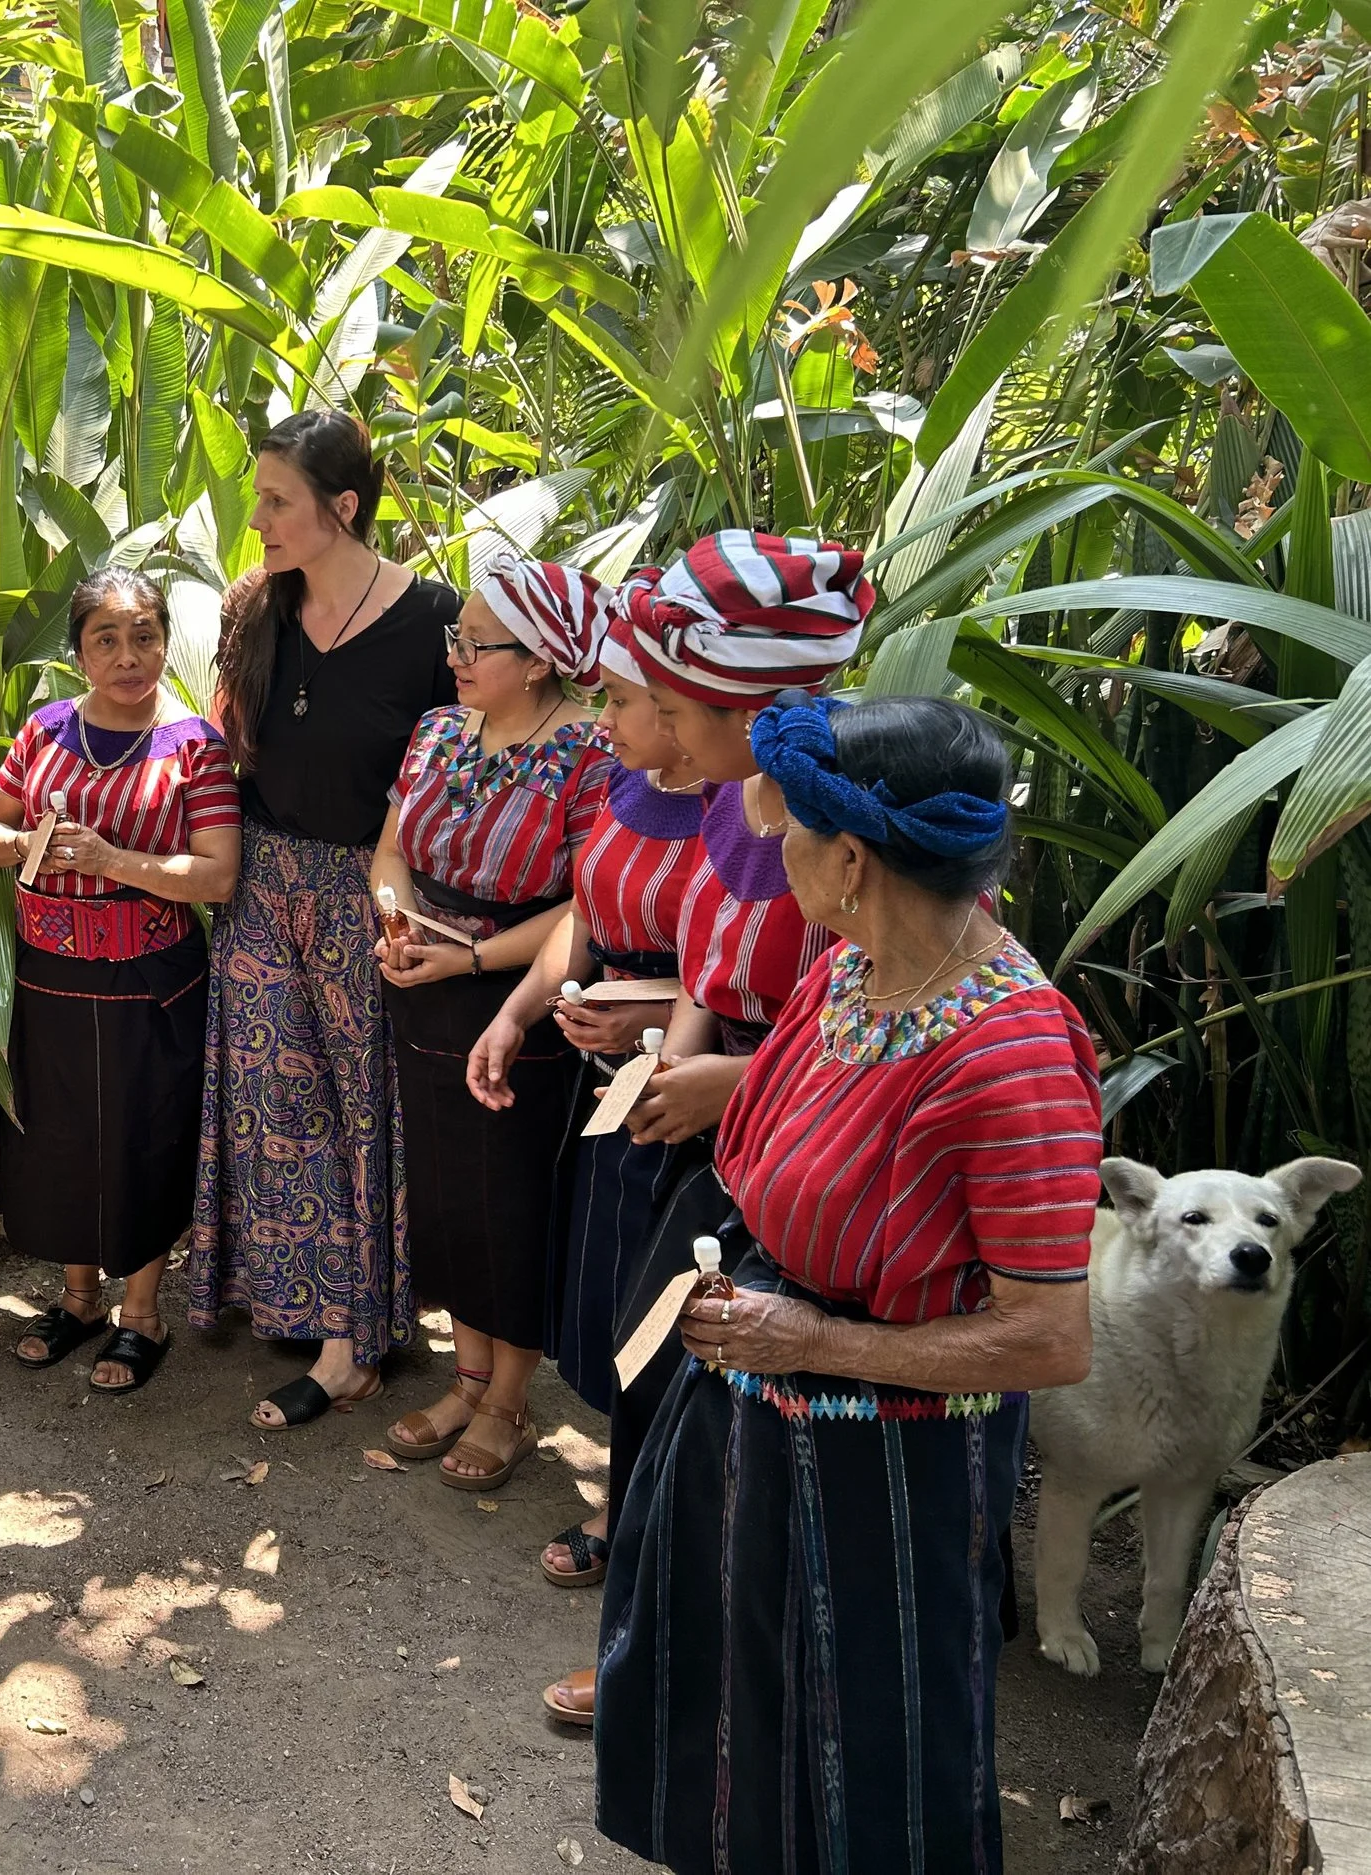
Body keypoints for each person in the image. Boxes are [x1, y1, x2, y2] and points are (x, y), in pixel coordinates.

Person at [593, 693, 1103, 1874]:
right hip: (762, 1418)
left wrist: (815, 1342)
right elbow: (799, 1105)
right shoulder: (854, 969)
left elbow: (1049, 1339)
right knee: (746, 1723)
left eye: (789, 832)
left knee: (875, 1747)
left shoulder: (1012, 1058)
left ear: (853, 858)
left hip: (890, 1470)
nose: (775, 853)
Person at [509, 529, 872, 1728]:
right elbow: (714, 964)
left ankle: (691, 1687)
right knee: (658, 1382)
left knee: (729, 1421)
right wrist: (684, 1053)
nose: (653, 718)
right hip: (719, 1136)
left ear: (749, 703)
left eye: (674, 699)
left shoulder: (843, 825)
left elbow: (870, 1030)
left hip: (799, 1164)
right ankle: (662, 1660)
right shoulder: (733, 799)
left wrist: (730, 1078)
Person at [187, 410, 459, 1429]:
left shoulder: (432, 622)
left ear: (341, 509)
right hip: (261, 879)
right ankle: (299, 1302)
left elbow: (458, 767)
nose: (255, 518)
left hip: (368, 889)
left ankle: (359, 1341)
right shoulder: (255, 609)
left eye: (275, 501)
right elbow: (229, 738)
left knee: (364, 1111)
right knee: (272, 1102)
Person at [456, 605, 705, 1529]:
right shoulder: (631, 789)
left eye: (624, 701)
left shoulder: (737, 812)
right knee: (613, 1275)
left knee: (668, 1280)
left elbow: (732, 966)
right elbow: (588, 917)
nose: (604, 720)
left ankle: (640, 1498)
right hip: (610, 1066)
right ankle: (627, 1472)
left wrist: (642, 1007)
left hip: (684, 1072)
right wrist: (518, 1011)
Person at [371, 556, 617, 1488]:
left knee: (508, 1201)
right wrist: (395, 924)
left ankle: (511, 1399)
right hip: (418, 978)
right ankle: (468, 1377)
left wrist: (471, 958)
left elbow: (583, 909)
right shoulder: (438, 730)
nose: (457, 656)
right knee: (441, 1193)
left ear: (543, 658)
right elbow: (392, 848)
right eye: (456, 638)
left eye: (478, 643)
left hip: (516, 998)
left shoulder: (593, 754)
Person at [0, 570, 241, 1392]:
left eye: (145, 636)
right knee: (57, 1138)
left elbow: (220, 875)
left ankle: (143, 1313)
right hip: (50, 976)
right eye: (106, 639)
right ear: (79, 649)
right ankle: (79, 1298)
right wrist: (22, 848)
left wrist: (113, 861)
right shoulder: (46, 729)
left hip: (150, 980)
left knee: (143, 1137)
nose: (130, 657)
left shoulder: (198, 743)